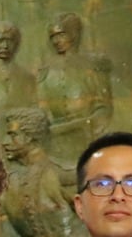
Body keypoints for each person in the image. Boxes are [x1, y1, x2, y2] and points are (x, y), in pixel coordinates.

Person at [0, 108, 81, 237]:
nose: (5, 142)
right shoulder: (11, 179)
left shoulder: (63, 175)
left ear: (30, 137)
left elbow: (94, 220)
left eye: (13, 135)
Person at [38, 13, 114, 168]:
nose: (56, 41)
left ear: (73, 34)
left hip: (86, 145)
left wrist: (84, 126)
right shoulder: (45, 72)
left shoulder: (92, 68)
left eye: (61, 35)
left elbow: (104, 110)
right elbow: (40, 107)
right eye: (53, 37)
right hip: (55, 148)